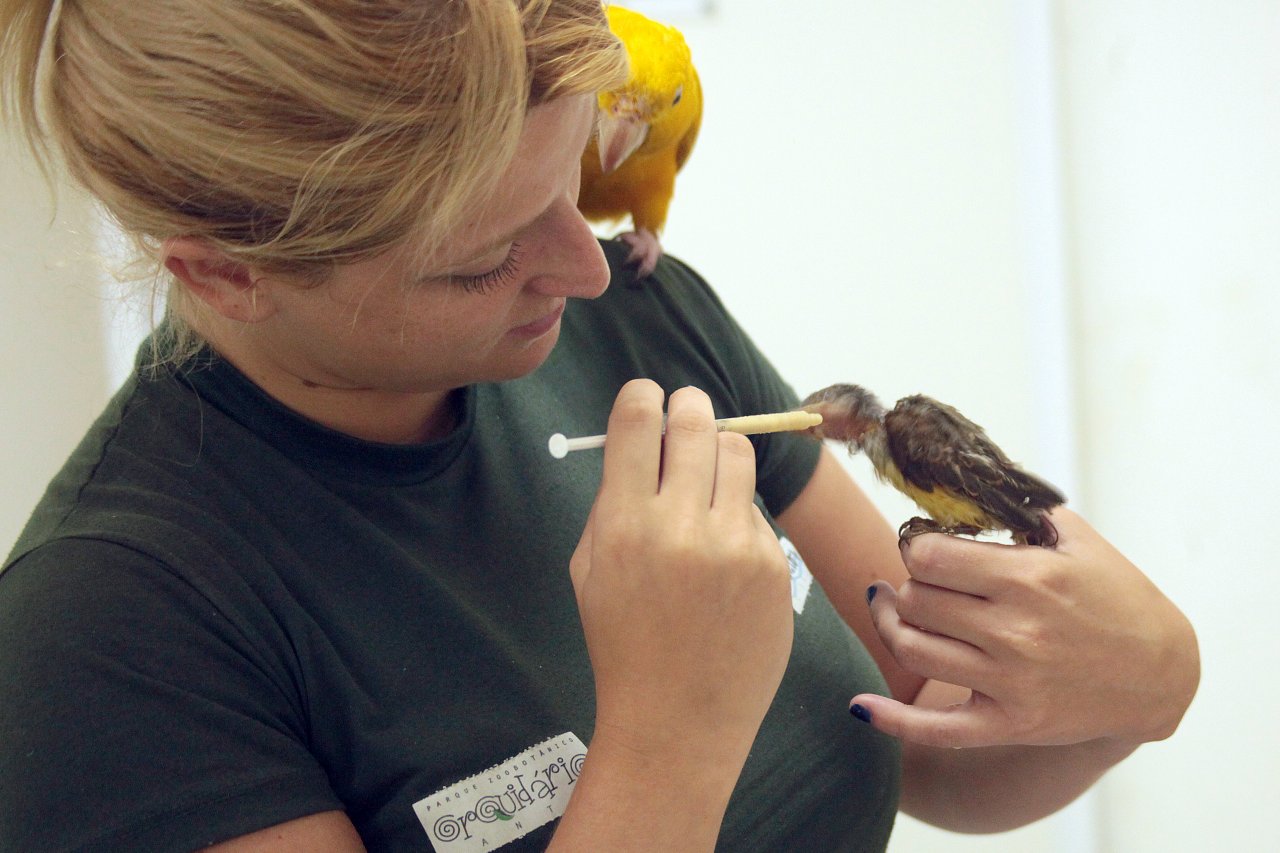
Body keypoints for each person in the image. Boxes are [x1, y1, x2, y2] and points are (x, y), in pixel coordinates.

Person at [0, 2, 1199, 851]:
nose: (582, 268)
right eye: (480, 261)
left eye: (573, 183)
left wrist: (1135, 689)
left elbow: (927, 746)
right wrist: (666, 735)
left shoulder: (631, 309)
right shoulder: (103, 641)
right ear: (225, 277)